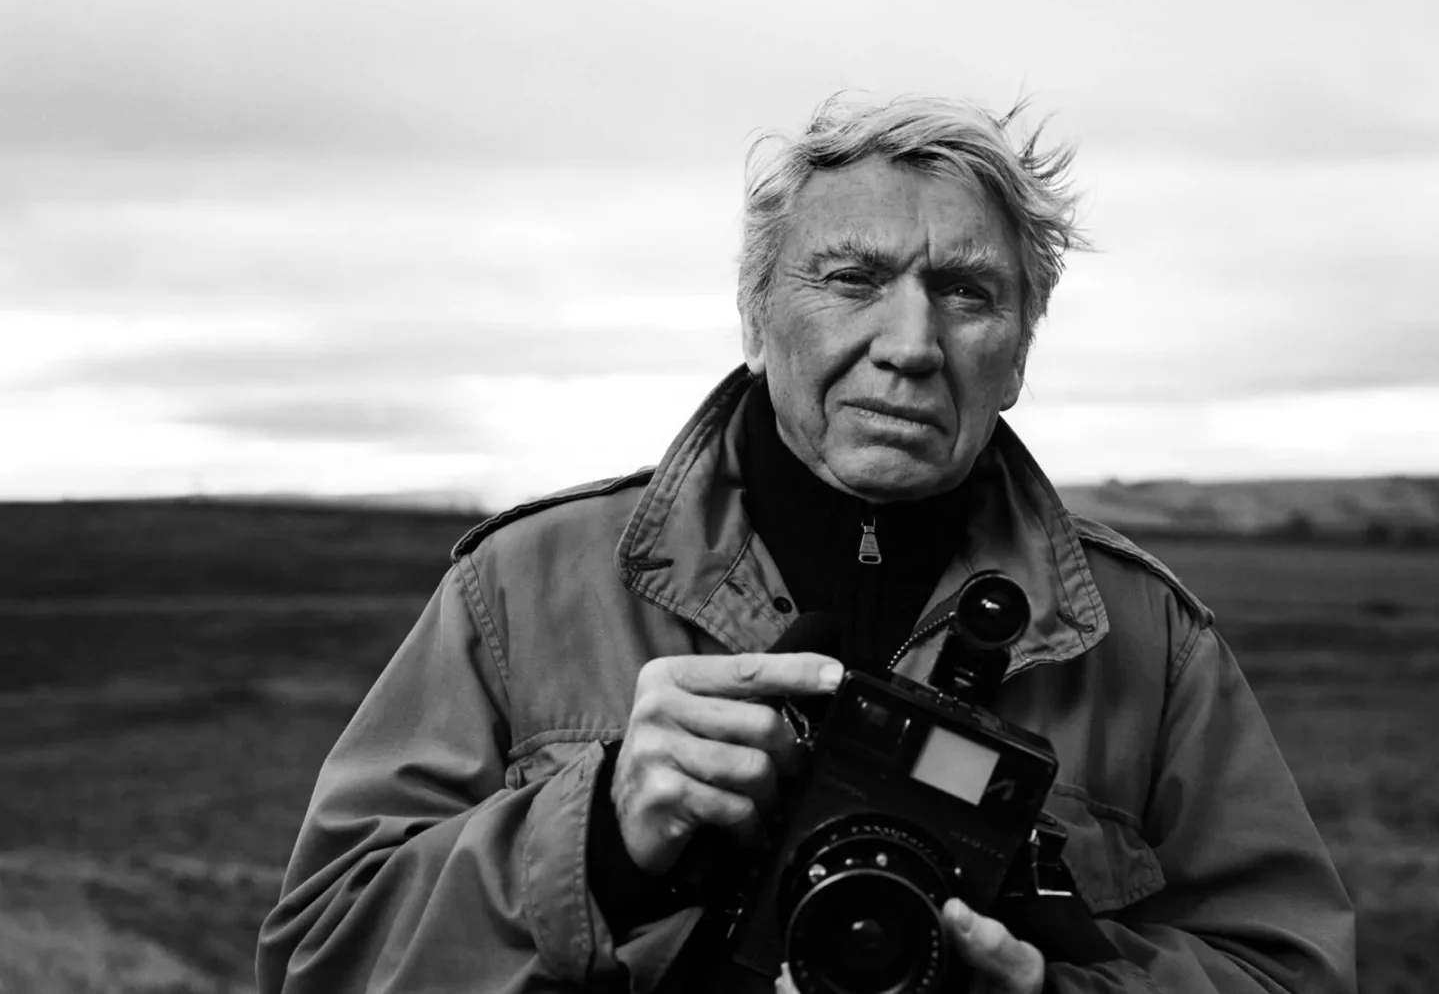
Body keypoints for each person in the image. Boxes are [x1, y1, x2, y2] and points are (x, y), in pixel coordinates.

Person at [257, 94, 1356, 994]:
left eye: (968, 292)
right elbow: (320, 956)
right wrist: (592, 834)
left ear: (1021, 350)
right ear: (754, 312)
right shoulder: (519, 587)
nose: (912, 346)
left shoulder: (1147, 638)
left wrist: (1045, 990)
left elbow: (1287, 969)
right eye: (853, 278)